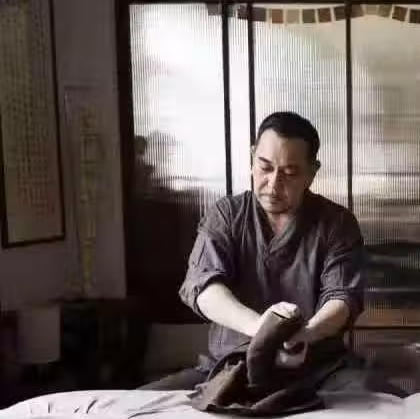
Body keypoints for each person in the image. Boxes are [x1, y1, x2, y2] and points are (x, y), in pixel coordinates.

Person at [142, 111, 398, 395]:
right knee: (141, 403)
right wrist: (261, 329)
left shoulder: (336, 223)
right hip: (232, 366)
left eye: (290, 173)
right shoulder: (226, 215)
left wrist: (306, 334)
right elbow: (204, 288)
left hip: (319, 370)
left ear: (312, 173)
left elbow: (343, 297)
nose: (273, 184)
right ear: (252, 158)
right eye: (265, 167)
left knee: (382, 400)